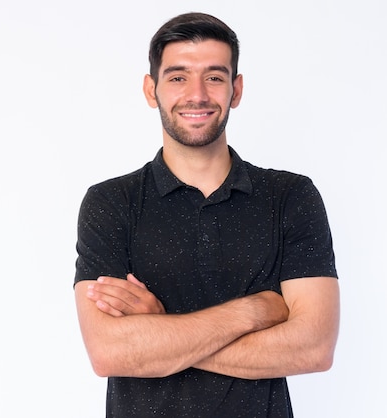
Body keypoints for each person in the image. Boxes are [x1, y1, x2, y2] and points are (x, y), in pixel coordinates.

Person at [73, 12, 340, 418]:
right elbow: (109, 353)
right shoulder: (111, 202)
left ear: (236, 90)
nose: (196, 94)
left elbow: (314, 347)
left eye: (214, 77)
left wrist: (160, 332)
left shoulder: (290, 196)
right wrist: (257, 310)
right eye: (178, 77)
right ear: (151, 89)